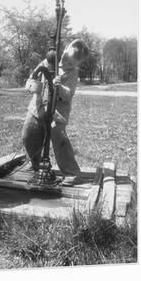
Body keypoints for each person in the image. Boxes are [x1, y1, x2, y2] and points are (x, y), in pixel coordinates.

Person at [22, 39, 89, 181]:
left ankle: (71, 173)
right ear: (63, 50)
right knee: (29, 134)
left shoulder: (72, 74)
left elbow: (68, 94)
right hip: (37, 107)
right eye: (65, 57)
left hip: (57, 114)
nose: (65, 63)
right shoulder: (48, 61)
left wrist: (58, 87)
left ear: (77, 64)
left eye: (70, 63)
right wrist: (30, 84)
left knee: (60, 141)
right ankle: (35, 165)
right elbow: (32, 78)